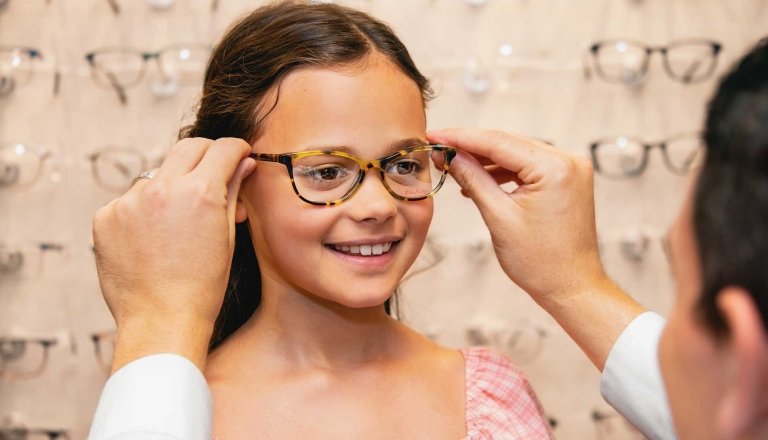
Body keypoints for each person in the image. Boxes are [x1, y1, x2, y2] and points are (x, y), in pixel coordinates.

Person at [88, 2, 553, 439]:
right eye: (327, 171)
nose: (379, 206)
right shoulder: (173, 404)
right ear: (234, 187)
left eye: (404, 164)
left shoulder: (492, 395)